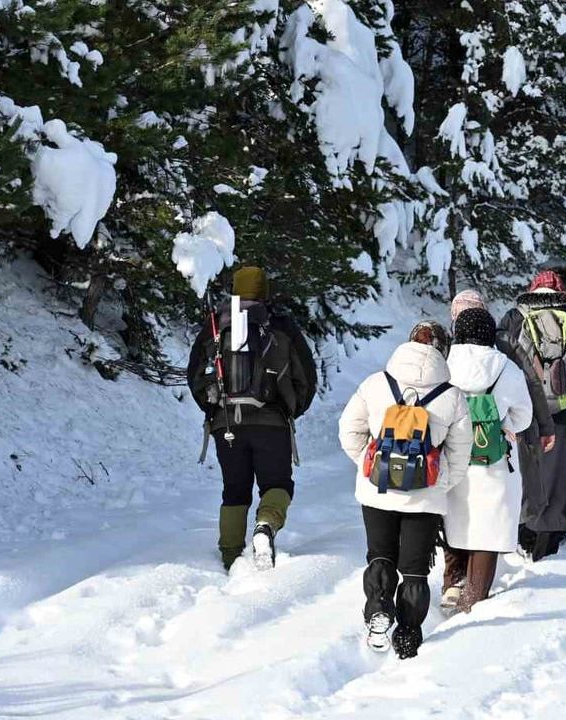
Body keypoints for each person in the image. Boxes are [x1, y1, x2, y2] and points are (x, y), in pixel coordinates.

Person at [337, 324, 472, 657]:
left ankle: (379, 607)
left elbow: (348, 431)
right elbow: (460, 452)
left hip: (377, 491)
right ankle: (409, 635)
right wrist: (439, 483)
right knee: (414, 569)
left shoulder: (375, 384)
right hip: (424, 497)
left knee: (380, 555)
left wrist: (369, 466)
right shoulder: (452, 396)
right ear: (443, 350)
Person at [186, 266, 317, 572]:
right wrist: (289, 409)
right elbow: (306, 377)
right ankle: (265, 526)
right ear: (264, 291)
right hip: (272, 421)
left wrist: (213, 411)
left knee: (234, 489)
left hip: (226, 423)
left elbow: (194, 374)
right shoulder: (281, 325)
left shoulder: (217, 325)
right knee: (277, 483)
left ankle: (231, 557)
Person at [499, 270, 566, 560]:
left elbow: (502, 358)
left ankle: (525, 529)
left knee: (528, 465)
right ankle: (552, 534)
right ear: (561, 290)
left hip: (526, 406)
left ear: (532, 288)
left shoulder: (514, 317)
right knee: (562, 469)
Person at [441, 308, 533, 613]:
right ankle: (475, 597)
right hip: (492, 459)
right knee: (489, 525)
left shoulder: (444, 365)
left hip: (452, 455)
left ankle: (452, 584)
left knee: (455, 516)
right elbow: (522, 418)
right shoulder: (507, 369)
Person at [451, 290, 555, 454]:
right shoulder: (504, 342)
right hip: (496, 441)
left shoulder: (449, 353)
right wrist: (545, 426)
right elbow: (532, 381)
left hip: (454, 442)